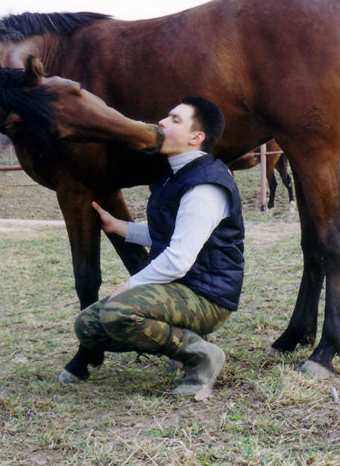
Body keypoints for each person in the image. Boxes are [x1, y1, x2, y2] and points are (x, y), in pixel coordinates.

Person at [73, 95, 245, 397]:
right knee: (87, 325)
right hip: (180, 289)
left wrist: (130, 284)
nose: (162, 122)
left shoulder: (204, 186)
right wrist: (120, 227)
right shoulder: (176, 175)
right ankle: (188, 342)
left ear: (196, 137)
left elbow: (178, 258)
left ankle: (203, 357)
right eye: (166, 116)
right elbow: (167, 235)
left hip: (207, 296)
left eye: (175, 120)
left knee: (117, 313)